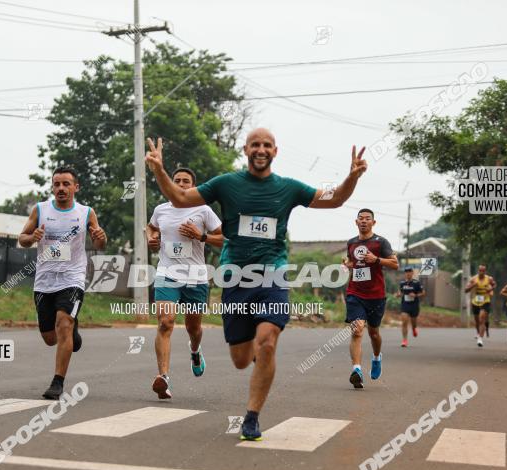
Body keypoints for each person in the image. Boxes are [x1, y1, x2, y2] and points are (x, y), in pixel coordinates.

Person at [145, 128, 368, 440]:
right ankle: (245, 348)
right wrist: (158, 169)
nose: (260, 149)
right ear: (245, 149)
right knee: (240, 360)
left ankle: (251, 416)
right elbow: (180, 197)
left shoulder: (288, 188)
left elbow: (333, 200)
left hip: (272, 274)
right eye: (255, 145)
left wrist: (352, 177)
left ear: (275, 151)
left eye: (266, 145)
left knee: (267, 342)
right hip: (235, 277)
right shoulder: (226, 184)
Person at [19, 166, 106, 400]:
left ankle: (57, 382)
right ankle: (73, 334)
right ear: (52, 187)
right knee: (50, 337)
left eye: (66, 184)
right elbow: (22, 238)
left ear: (76, 187)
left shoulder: (86, 212)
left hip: (73, 277)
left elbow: (100, 244)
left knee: (63, 323)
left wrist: (100, 238)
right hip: (44, 280)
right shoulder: (40, 210)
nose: (61, 188)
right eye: (57, 184)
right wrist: (32, 236)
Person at [145, 167, 224, 399]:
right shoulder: (161, 210)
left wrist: (201, 236)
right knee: (165, 323)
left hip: (196, 277)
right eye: (176, 180)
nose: (180, 184)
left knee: (193, 328)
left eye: (186, 181)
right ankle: (164, 379)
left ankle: (195, 350)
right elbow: (151, 227)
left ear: (193, 187)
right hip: (167, 273)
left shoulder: (204, 210)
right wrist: (151, 238)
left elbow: (223, 239)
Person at [343, 210, 399, 388]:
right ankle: (357, 370)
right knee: (357, 329)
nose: (364, 221)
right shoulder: (351, 243)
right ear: (356, 222)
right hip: (355, 293)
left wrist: (377, 259)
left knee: (373, 333)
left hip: (376, 295)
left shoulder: (381, 242)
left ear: (373, 223)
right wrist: (347, 265)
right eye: (361, 219)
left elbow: (395, 264)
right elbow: (353, 263)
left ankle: (376, 357)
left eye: (368, 219)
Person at [464, 265, 496, 347]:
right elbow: (466, 290)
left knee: (482, 319)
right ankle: (478, 333)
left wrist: (490, 289)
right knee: (477, 320)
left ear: (485, 271)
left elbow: (494, 285)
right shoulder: (473, 279)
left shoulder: (489, 279)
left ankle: (480, 339)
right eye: (480, 271)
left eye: (483, 271)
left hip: (485, 301)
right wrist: (473, 285)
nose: (481, 272)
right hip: (475, 302)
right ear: (478, 271)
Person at [394, 266, 424, 348]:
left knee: (413, 322)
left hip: (414, 305)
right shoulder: (402, 283)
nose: (408, 273)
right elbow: (399, 292)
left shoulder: (416, 283)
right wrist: (397, 295)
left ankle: (414, 328)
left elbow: (423, 293)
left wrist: (415, 295)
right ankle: (404, 340)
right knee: (404, 322)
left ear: (412, 273)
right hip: (405, 304)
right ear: (405, 273)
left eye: (409, 271)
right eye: (406, 272)